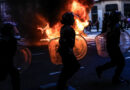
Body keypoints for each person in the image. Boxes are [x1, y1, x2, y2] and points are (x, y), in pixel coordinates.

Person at [96, 11, 128, 85]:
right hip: (113, 47)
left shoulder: (110, 24)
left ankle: (100, 69)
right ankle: (115, 78)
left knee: (114, 62)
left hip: (111, 46)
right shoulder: (115, 25)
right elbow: (111, 36)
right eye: (119, 16)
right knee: (121, 63)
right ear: (116, 17)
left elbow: (106, 34)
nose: (120, 17)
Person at [56, 12, 80, 90]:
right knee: (75, 66)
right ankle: (62, 83)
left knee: (66, 67)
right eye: (72, 18)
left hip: (63, 50)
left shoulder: (64, 28)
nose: (73, 20)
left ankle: (62, 83)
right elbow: (69, 42)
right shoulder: (69, 29)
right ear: (69, 19)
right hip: (66, 51)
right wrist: (69, 50)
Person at [0, 23, 20, 90]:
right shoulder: (12, 40)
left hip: (7, 62)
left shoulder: (11, 40)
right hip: (6, 62)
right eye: (12, 30)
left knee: (14, 76)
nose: (13, 31)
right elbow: (12, 51)